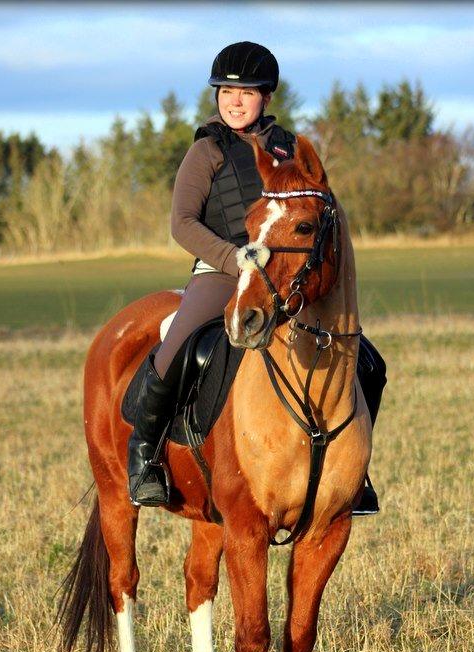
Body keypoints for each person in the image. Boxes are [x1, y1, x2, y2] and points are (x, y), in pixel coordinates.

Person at [127, 41, 385, 514]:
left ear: (266, 96)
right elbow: (182, 223)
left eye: (245, 92)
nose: (234, 100)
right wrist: (232, 257)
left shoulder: (291, 147)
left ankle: (353, 471)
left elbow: (318, 207)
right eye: (226, 91)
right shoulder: (206, 151)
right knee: (178, 345)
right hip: (224, 271)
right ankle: (144, 455)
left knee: (368, 361)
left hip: (286, 275)